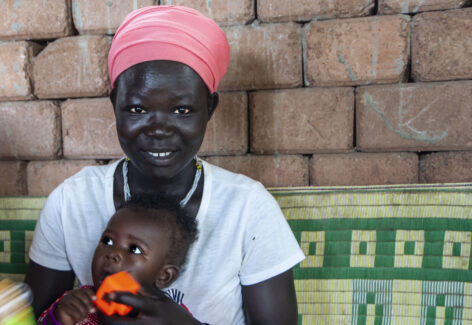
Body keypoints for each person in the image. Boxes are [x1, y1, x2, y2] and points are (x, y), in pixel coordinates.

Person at [25, 5, 305, 324]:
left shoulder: (248, 209)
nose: (159, 128)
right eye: (137, 108)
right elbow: (30, 318)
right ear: (114, 103)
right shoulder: (71, 202)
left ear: (209, 108)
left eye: (182, 111)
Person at [39, 195, 198, 325]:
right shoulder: (79, 303)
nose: (113, 253)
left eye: (134, 249)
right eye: (108, 241)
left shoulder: (168, 317)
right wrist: (58, 319)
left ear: (164, 276)